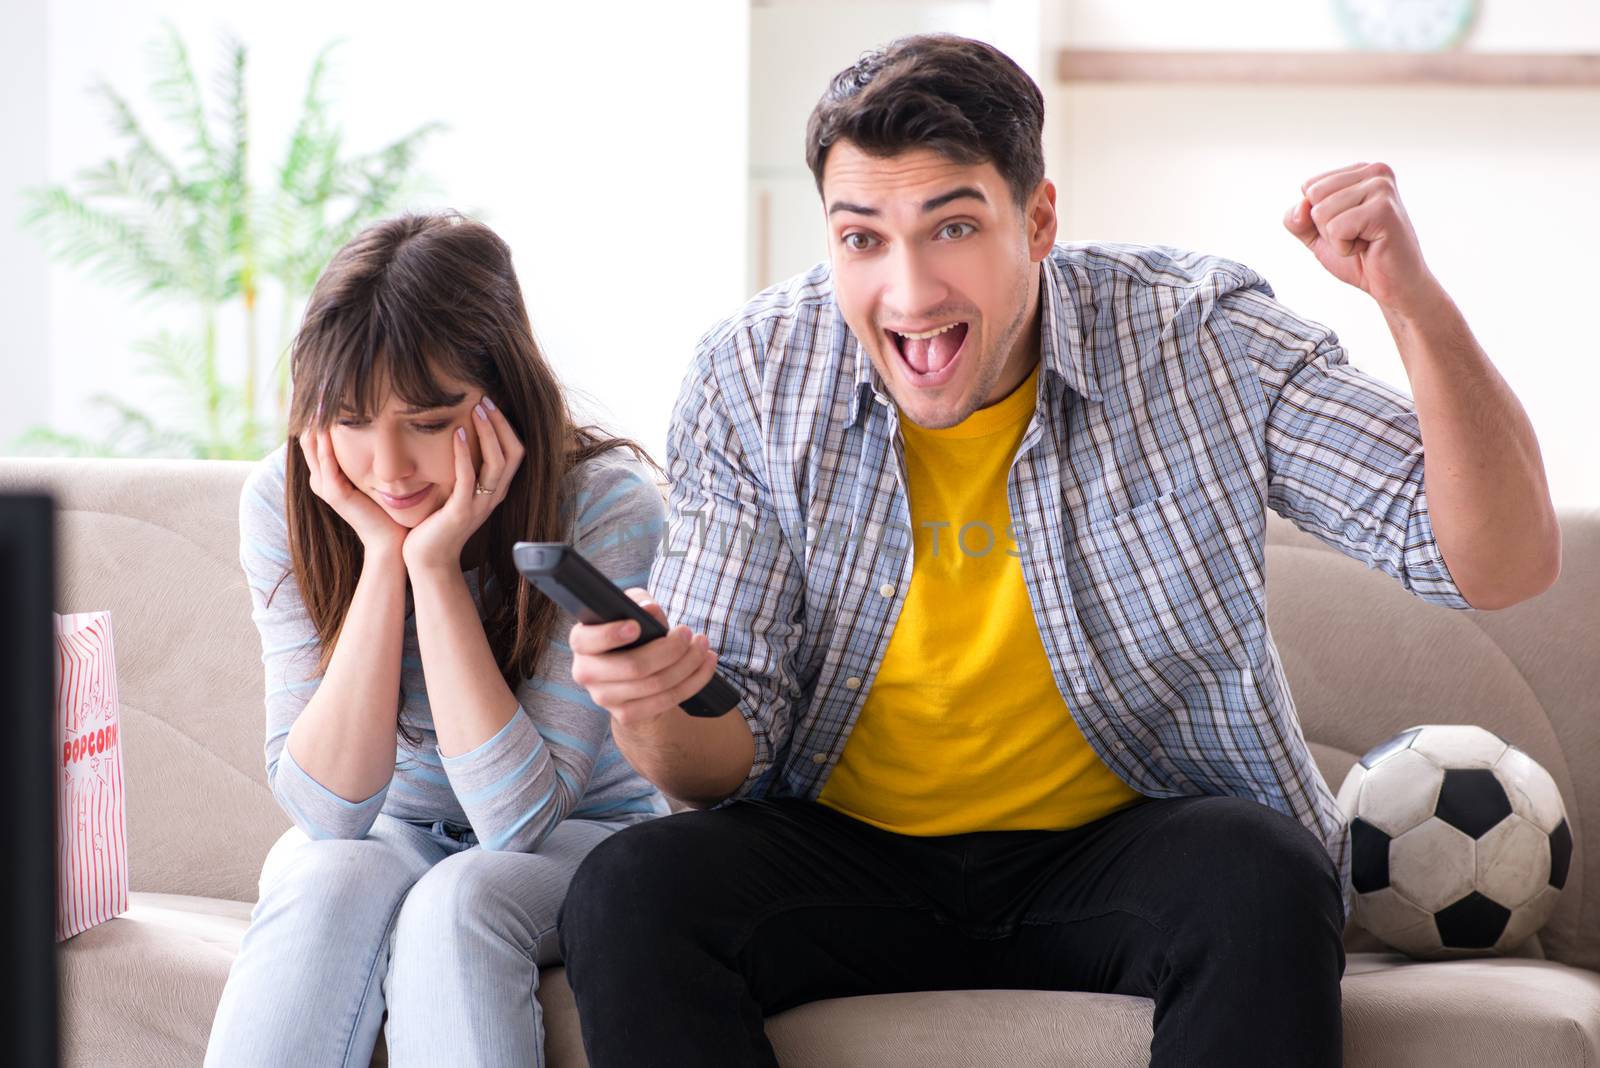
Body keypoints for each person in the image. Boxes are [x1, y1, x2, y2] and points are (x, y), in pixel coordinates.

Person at [554, 33, 1561, 1068]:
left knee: (1262, 871)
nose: (907, 292)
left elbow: (1499, 564)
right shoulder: (753, 374)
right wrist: (654, 701)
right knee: (631, 889)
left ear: (1036, 220)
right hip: (841, 855)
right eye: (862, 239)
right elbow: (717, 768)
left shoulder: (1197, 337)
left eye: (951, 226)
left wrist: (1410, 300)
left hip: (1124, 847)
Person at [205, 212, 671, 1068]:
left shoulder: (604, 505)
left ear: (505, 399)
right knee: (320, 876)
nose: (387, 467)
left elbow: (517, 823)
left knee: (461, 897)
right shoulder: (287, 500)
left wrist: (437, 568)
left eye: (427, 420)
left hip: (587, 836)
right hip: (389, 828)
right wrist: (384, 560)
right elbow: (326, 814)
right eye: (350, 420)